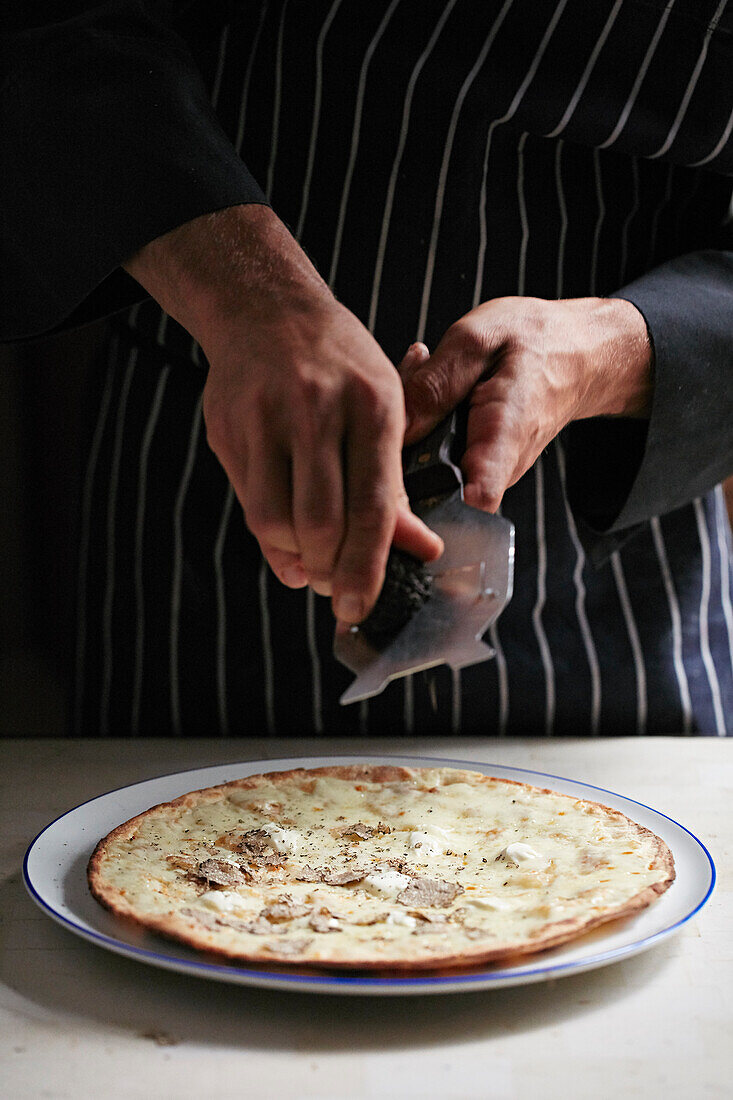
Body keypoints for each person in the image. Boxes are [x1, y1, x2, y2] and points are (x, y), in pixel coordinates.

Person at [2, 0, 732, 736]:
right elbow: (53, 25)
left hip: (619, 567)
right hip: (211, 503)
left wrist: (607, 352)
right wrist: (254, 299)